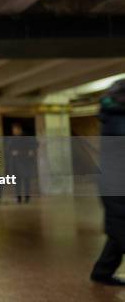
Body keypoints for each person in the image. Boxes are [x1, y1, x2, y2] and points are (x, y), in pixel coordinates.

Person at [91, 79, 125, 286]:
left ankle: (102, 271)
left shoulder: (114, 116)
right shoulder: (118, 120)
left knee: (118, 229)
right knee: (120, 228)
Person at [5, 123, 36, 204]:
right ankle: (18, 197)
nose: (15, 131)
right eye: (14, 130)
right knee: (17, 181)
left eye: (17, 129)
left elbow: (35, 144)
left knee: (26, 180)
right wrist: (12, 153)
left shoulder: (27, 138)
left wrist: (31, 151)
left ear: (20, 130)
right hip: (16, 163)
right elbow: (7, 150)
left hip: (25, 162)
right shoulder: (11, 140)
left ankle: (27, 197)